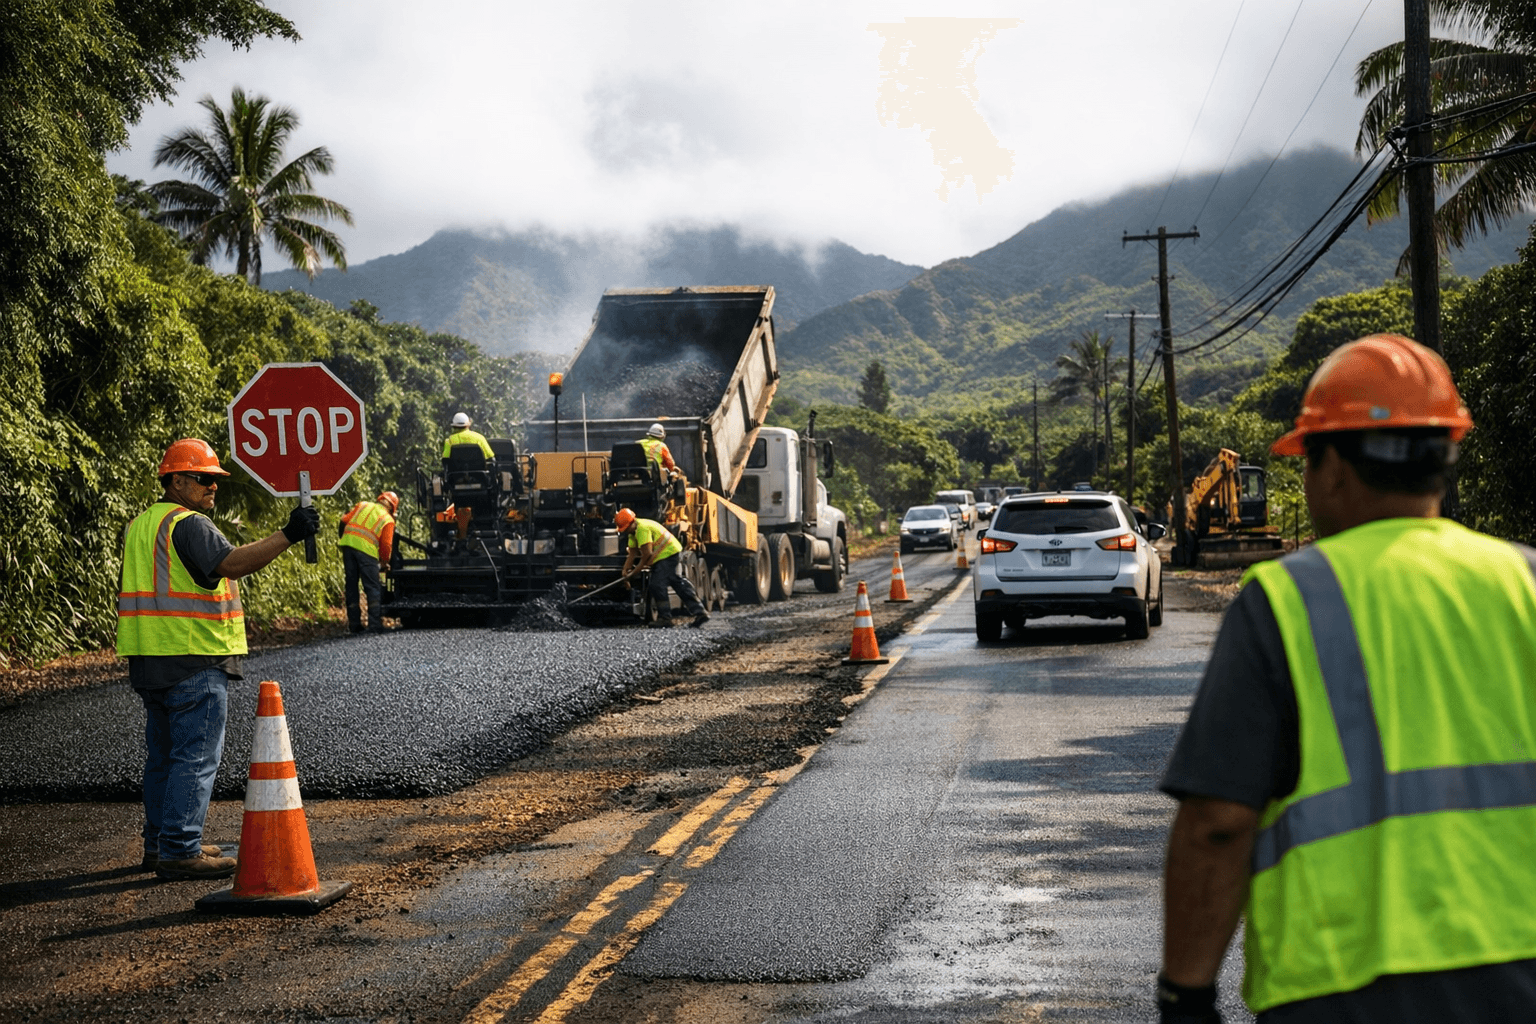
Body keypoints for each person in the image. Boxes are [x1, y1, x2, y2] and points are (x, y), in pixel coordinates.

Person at [1157, 334, 1536, 1022]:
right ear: (1445, 458)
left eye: (1307, 460)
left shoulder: (1287, 599)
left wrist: (1185, 994)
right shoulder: (1524, 580)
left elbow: (1218, 824)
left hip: (1342, 986)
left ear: (1332, 469)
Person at [117, 438, 320, 880]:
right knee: (194, 758)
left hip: (150, 660)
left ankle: (160, 844)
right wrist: (288, 534)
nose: (213, 486)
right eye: (203, 478)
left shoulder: (140, 525)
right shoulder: (189, 524)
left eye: (215, 479)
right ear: (175, 481)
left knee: (164, 758)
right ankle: (180, 850)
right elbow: (231, 564)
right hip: (194, 658)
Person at [615, 507, 708, 628]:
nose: (626, 531)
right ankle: (700, 612)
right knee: (676, 582)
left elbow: (646, 555)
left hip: (668, 553)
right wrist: (625, 570)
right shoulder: (632, 533)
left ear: (632, 522)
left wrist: (633, 573)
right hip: (666, 553)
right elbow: (632, 554)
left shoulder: (642, 528)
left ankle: (665, 618)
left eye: (626, 528)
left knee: (657, 584)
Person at [338, 490, 398, 634]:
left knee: (351, 586)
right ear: (393, 508)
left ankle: (354, 625)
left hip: (348, 546)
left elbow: (343, 520)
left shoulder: (363, 505)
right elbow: (386, 545)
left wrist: (343, 539)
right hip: (366, 551)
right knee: (372, 587)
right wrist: (384, 562)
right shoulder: (388, 520)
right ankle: (374, 625)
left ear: (380, 499)